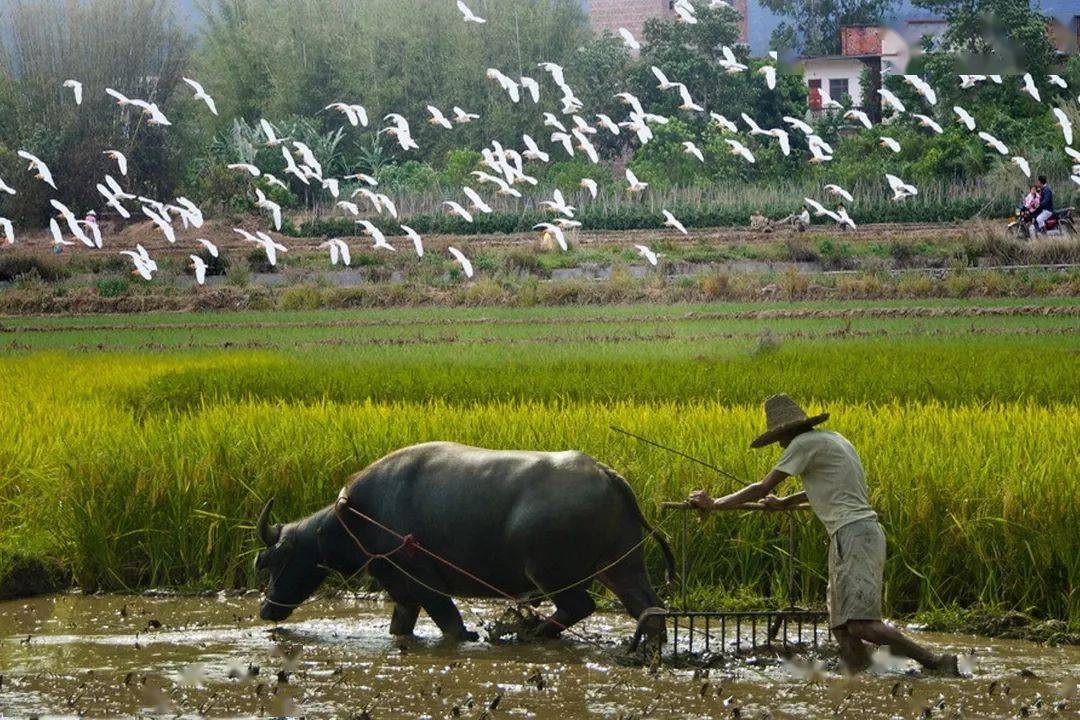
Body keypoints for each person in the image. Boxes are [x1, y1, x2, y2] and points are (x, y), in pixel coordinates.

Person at [686, 394, 960, 676]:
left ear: (788, 431)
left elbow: (762, 488)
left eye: (779, 436)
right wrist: (785, 504)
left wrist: (715, 503)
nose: (780, 442)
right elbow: (823, 487)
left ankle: (935, 661)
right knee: (841, 626)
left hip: (855, 534)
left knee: (862, 625)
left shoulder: (802, 444)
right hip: (849, 535)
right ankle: (863, 676)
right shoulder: (833, 439)